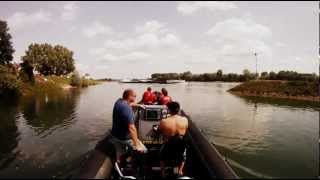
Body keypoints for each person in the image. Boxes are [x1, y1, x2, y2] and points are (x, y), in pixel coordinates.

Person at [111, 89, 146, 154]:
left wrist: (138, 105)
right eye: (134, 96)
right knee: (144, 150)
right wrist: (137, 145)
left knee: (120, 154)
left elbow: (130, 104)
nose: (136, 97)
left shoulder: (119, 101)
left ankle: (119, 162)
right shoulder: (126, 108)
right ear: (129, 96)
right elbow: (131, 128)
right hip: (125, 138)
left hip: (115, 135)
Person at [159, 101, 188, 177]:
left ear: (169, 110)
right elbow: (185, 129)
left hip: (168, 146)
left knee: (161, 156)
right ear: (178, 110)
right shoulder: (185, 120)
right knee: (183, 156)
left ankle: (163, 173)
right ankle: (180, 171)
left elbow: (159, 131)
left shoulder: (164, 121)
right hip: (181, 145)